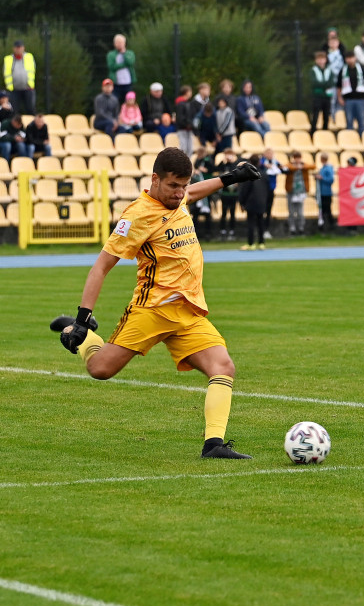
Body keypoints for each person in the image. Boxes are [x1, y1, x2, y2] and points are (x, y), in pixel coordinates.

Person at [49, 147, 262, 458]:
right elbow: (101, 266)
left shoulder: (178, 198)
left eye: (184, 186)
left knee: (223, 366)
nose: (180, 193)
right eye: (174, 186)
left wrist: (229, 178)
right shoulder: (137, 215)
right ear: (155, 180)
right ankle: (79, 334)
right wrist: (83, 318)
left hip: (187, 310)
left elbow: (193, 193)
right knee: (100, 370)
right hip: (151, 310)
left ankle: (213, 445)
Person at [239, 154, 270, 250]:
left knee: (251, 223)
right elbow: (268, 189)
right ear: (259, 162)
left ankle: (251, 243)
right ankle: (261, 243)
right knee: (261, 222)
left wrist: (242, 202)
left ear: (250, 162)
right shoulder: (264, 174)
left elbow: (245, 190)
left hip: (251, 202)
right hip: (262, 201)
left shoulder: (248, 174)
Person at [338, 51, 364, 136]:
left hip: (360, 99)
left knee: (361, 122)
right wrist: (340, 98)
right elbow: (339, 86)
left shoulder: (361, 69)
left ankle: (363, 140)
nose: (350, 60)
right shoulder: (343, 70)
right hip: (348, 99)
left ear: (355, 58)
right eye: (348, 58)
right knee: (349, 122)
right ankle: (350, 140)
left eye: (351, 58)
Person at [3, 40, 37, 116]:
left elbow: (33, 70)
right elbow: (6, 73)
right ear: (13, 49)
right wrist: (10, 87)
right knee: (14, 110)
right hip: (14, 89)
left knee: (31, 109)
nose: (18, 49)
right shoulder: (8, 59)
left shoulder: (29, 57)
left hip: (28, 88)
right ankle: (16, 127)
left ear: (23, 48)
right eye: (17, 47)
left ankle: (31, 127)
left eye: (20, 47)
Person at [216, 148, 240, 240]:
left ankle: (232, 231)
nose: (228, 156)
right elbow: (217, 170)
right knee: (224, 212)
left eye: (230, 154)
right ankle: (222, 230)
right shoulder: (223, 165)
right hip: (225, 193)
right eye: (227, 154)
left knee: (233, 213)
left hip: (233, 194)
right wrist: (224, 161)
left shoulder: (235, 165)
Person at [106, 34, 136, 104]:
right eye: (118, 42)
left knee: (129, 102)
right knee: (113, 102)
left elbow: (130, 62)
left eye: (121, 42)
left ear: (124, 43)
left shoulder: (130, 53)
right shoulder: (111, 55)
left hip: (128, 83)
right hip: (116, 84)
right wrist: (125, 64)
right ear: (114, 44)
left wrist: (124, 54)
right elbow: (112, 67)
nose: (119, 44)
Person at [285, 151, 310, 236]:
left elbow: (312, 166)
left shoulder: (303, 165)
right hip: (291, 191)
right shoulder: (290, 165)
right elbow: (286, 167)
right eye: (296, 158)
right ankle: (292, 228)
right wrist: (296, 167)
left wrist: (301, 166)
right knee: (291, 211)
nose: (298, 160)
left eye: (299, 158)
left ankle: (301, 228)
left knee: (300, 212)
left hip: (300, 191)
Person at [310, 51, 334, 131]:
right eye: (319, 59)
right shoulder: (313, 70)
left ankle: (325, 131)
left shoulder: (329, 70)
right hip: (317, 96)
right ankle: (313, 132)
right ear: (316, 60)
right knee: (315, 115)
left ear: (325, 60)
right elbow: (314, 83)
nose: (321, 61)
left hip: (327, 96)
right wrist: (325, 85)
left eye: (322, 59)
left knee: (326, 115)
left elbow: (331, 82)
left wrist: (322, 85)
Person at [315, 152, 335, 231]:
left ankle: (331, 226)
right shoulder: (322, 168)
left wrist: (322, 178)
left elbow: (331, 180)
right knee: (322, 211)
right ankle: (323, 227)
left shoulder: (328, 168)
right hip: (321, 193)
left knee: (327, 210)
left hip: (326, 193)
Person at [175, 85, 195, 156]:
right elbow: (180, 117)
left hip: (188, 129)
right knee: (183, 148)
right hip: (182, 129)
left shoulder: (187, 103)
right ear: (187, 92)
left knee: (190, 149)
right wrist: (187, 124)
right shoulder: (180, 103)